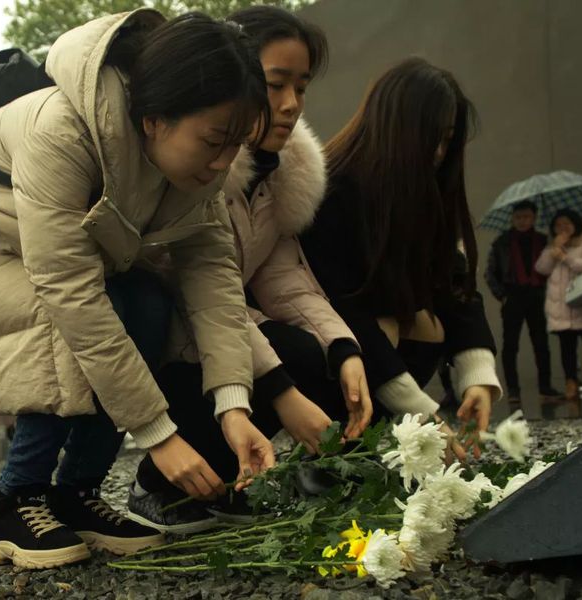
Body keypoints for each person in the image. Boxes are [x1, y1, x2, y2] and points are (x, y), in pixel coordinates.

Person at [0, 9, 274, 569]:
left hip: (18, 239)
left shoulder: (196, 172)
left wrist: (233, 404)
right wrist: (159, 435)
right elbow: (69, 291)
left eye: (235, 144)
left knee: (146, 304)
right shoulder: (62, 129)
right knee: (67, 318)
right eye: (213, 140)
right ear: (153, 120)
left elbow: (214, 281)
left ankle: (77, 493)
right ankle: (15, 501)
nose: (223, 163)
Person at [125, 6, 373, 534]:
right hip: (174, 336)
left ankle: (224, 479)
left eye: (301, 87)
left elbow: (285, 279)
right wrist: (280, 389)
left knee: (317, 351)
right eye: (274, 84)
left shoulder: (281, 176)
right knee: (285, 355)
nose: (289, 105)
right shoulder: (194, 168)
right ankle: (155, 482)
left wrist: (344, 348)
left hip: (221, 336)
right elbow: (198, 296)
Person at [299, 58, 502, 457]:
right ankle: (339, 444)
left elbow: (454, 287)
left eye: (446, 140)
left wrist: (477, 377)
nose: (438, 153)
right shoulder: (333, 193)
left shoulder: (423, 192)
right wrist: (422, 413)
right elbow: (344, 309)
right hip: (323, 345)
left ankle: (376, 438)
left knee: (429, 325)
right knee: (387, 325)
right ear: (393, 130)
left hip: (372, 349)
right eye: (429, 139)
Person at [485, 200, 560, 409]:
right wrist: (502, 295)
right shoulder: (502, 242)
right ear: (512, 218)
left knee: (541, 344)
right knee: (510, 346)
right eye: (518, 217)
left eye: (526, 217)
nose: (522, 221)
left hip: (537, 295)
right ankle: (513, 391)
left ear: (534, 218)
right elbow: (490, 273)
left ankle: (545, 387)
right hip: (513, 295)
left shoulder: (543, 240)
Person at [535, 208, 582, 409]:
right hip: (562, 309)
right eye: (558, 225)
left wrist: (565, 257)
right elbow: (541, 268)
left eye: (566, 224)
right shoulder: (552, 247)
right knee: (567, 349)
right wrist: (555, 250)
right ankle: (571, 383)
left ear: (576, 224)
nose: (562, 228)